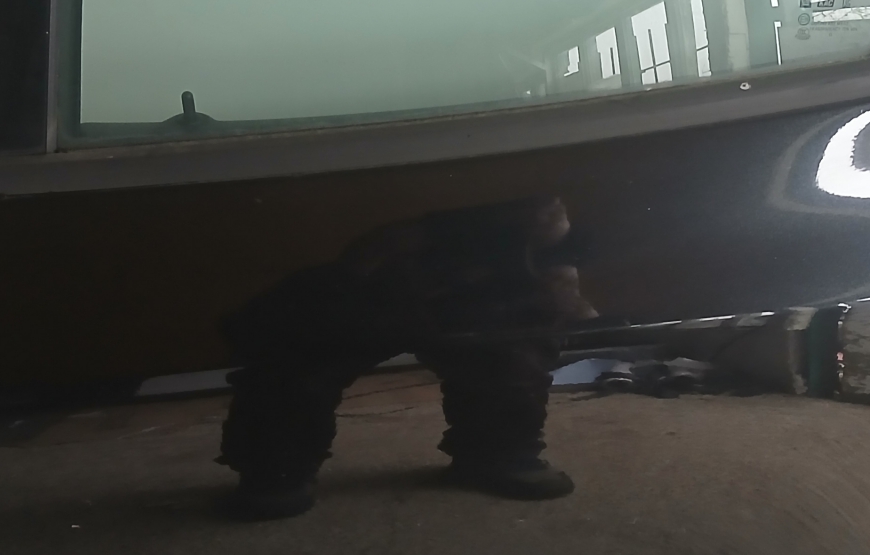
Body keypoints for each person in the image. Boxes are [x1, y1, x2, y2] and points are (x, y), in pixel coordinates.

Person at [217, 195, 595, 518]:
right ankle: (277, 465)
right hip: (350, 254)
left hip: (488, 261)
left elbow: (553, 229)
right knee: (299, 344)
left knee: (511, 347)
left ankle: (499, 451)